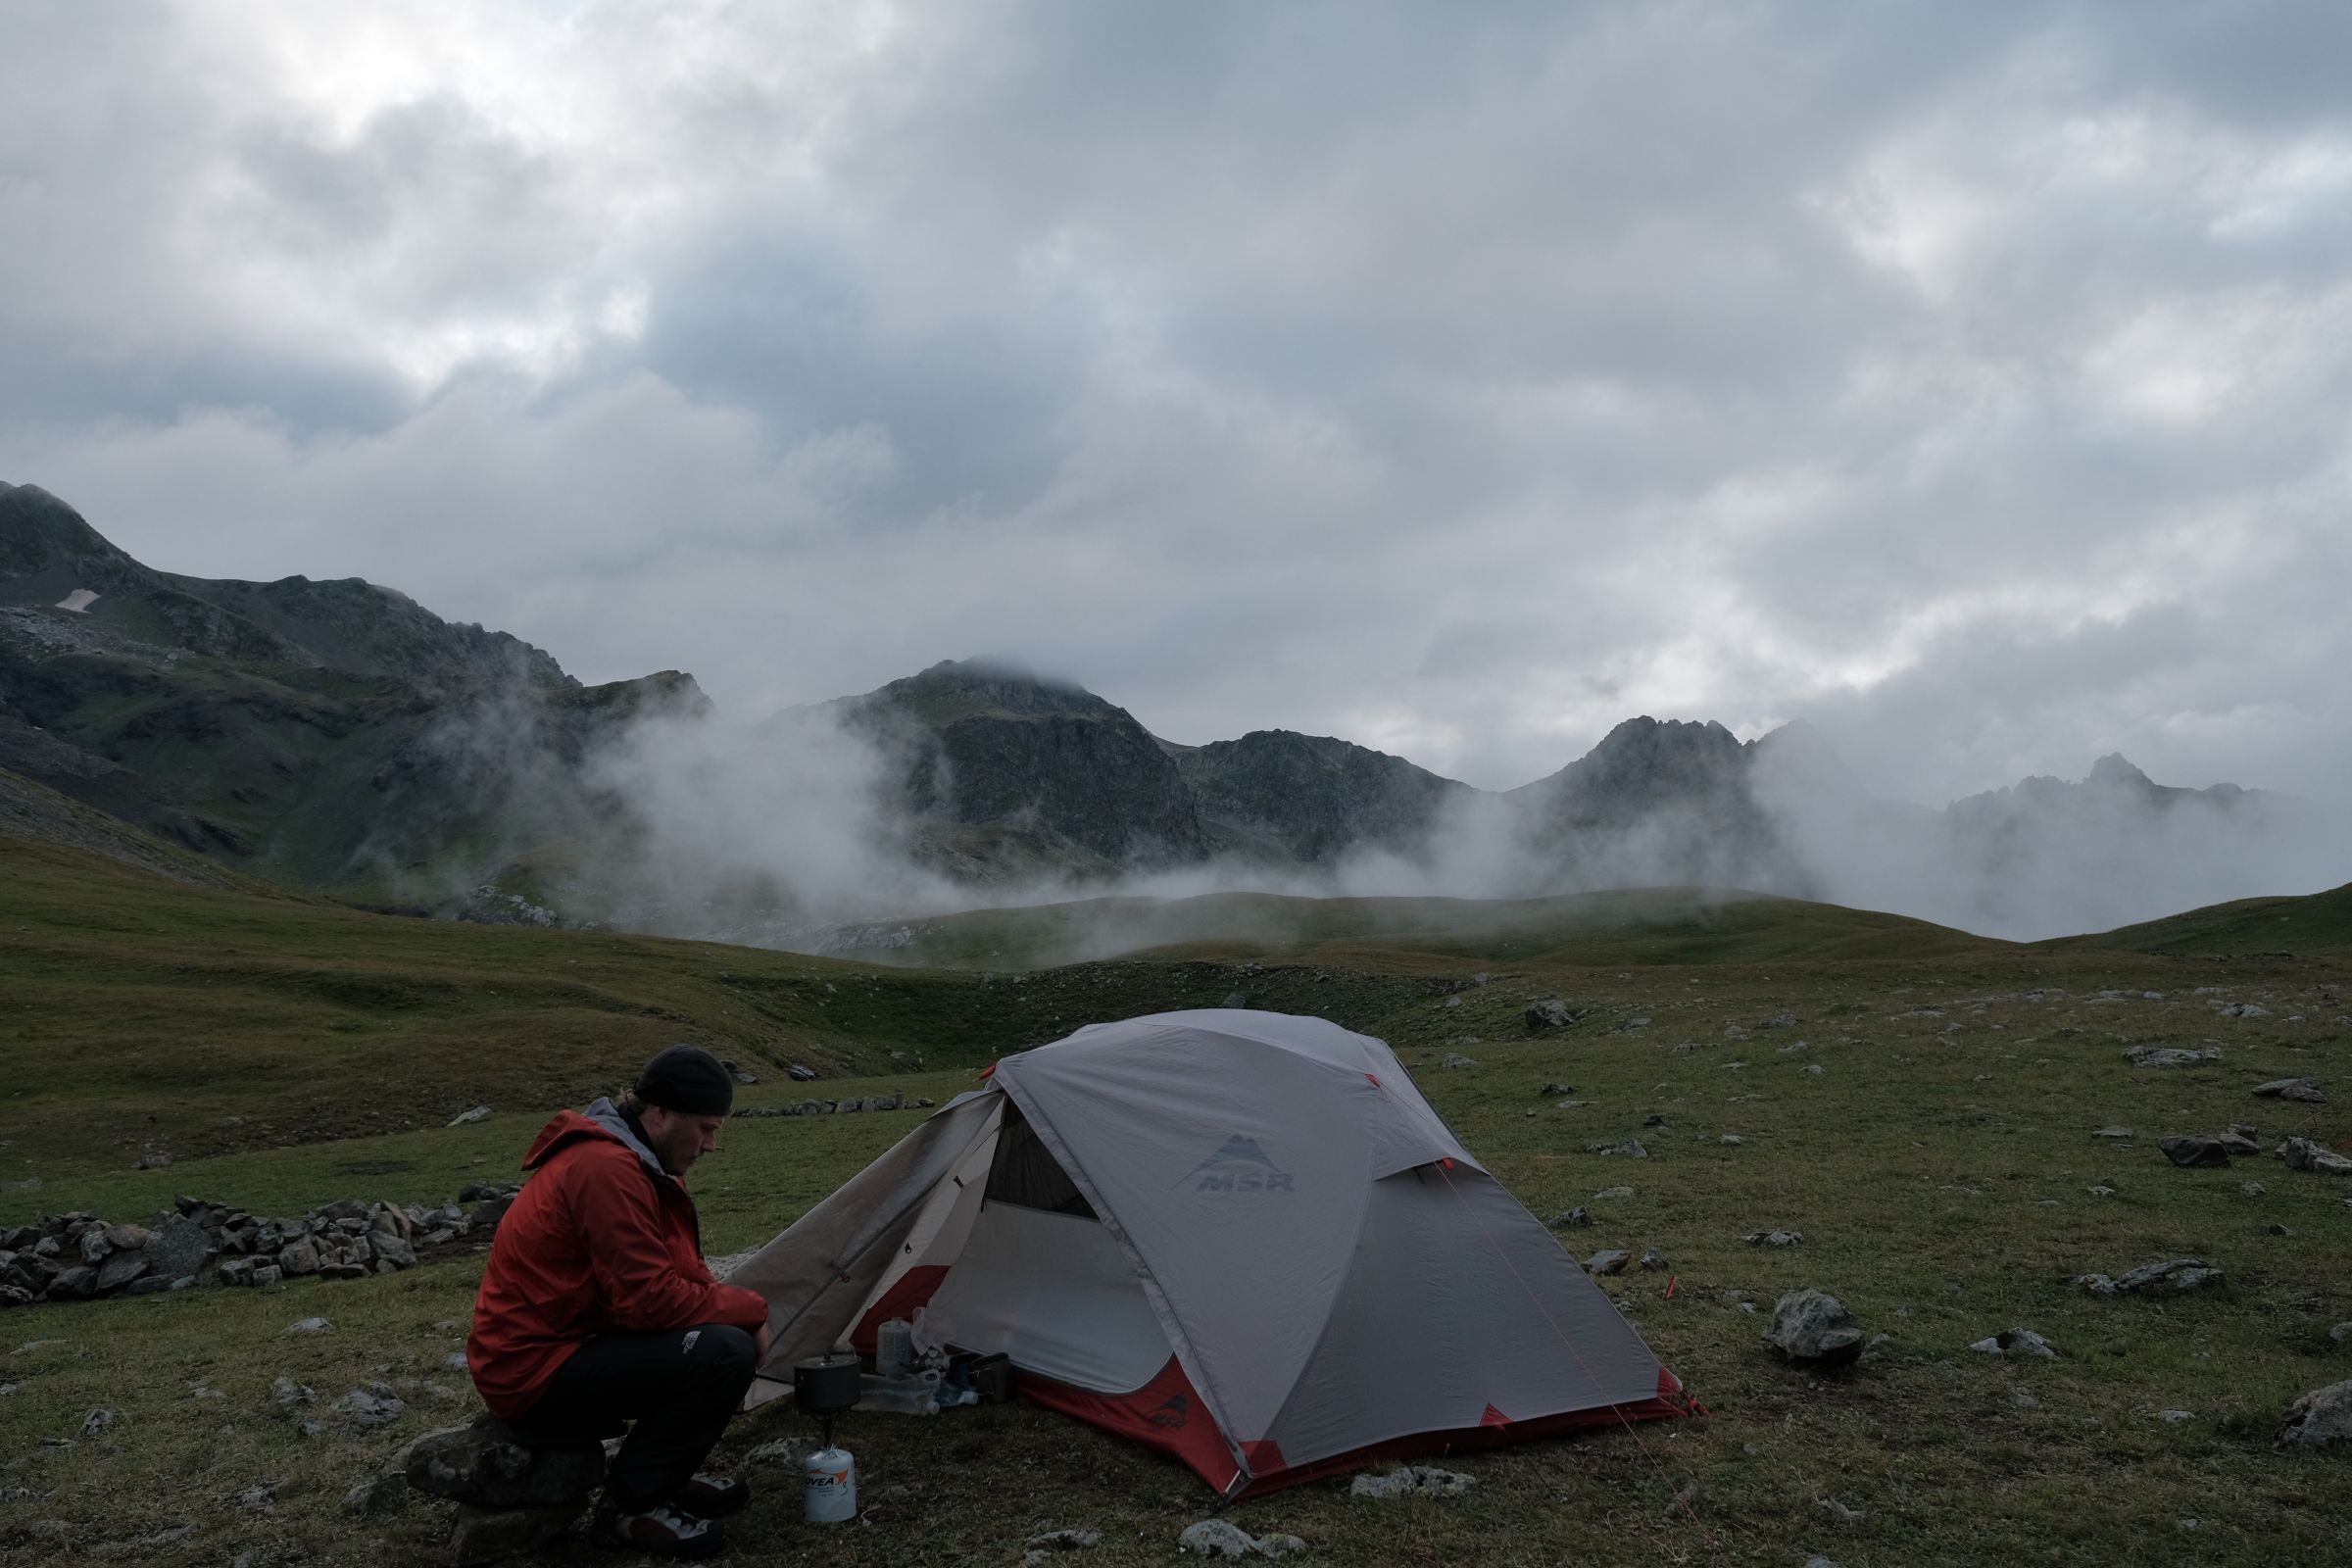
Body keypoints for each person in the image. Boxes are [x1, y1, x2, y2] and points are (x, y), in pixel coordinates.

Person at [466, 1045, 772, 1559]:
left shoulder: (639, 1162)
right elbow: (649, 1303)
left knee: (718, 1339)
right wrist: (752, 1310)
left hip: (573, 1342)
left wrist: (736, 1309)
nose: (712, 1145)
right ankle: (631, 1509)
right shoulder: (605, 1168)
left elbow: (680, 1269)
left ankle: (663, 1477)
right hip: (530, 1368)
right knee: (722, 1352)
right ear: (661, 1114)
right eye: (706, 1128)